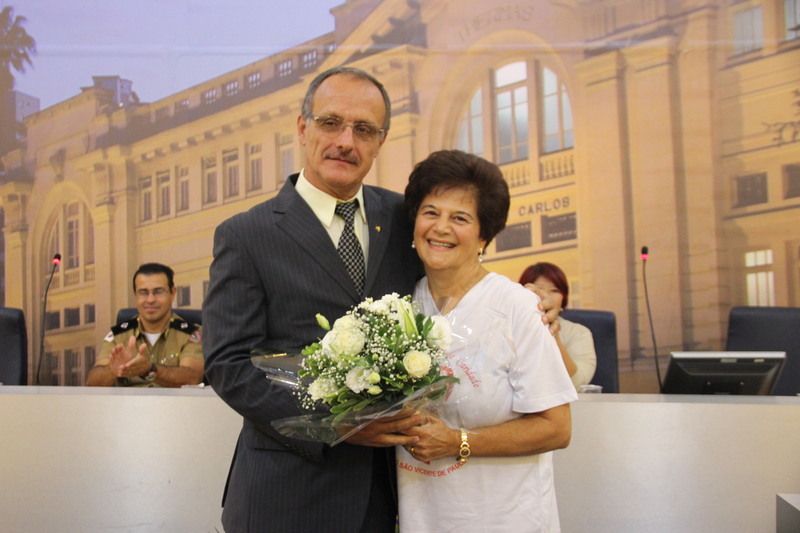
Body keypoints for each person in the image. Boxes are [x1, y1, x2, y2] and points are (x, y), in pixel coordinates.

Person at [202, 67, 426, 533]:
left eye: (363, 129)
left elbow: (454, 283)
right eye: (331, 123)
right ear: (303, 128)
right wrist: (334, 427)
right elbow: (229, 365)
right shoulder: (247, 234)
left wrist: (524, 303)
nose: (346, 140)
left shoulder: (406, 219)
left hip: (387, 499)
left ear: (381, 141)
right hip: (284, 494)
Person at [397, 150, 578, 532]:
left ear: (483, 236)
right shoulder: (399, 308)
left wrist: (456, 442)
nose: (441, 227)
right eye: (431, 212)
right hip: (423, 517)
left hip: (507, 518)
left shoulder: (516, 306)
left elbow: (556, 428)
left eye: (460, 218)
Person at [86, 263, 204, 387]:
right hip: (128, 406)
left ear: (172, 293)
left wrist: (150, 369)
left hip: (173, 406)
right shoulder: (119, 335)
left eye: (158, 292)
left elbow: (192, 378)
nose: (150, 300)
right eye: (143, 292)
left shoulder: (191, 334)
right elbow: (91, 383)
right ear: (135, 295)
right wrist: (113, 370)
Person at [520, 262, 597, 389]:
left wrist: (552, 335)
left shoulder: (578, 333)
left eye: (554, 290)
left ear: (563, 298)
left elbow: (578, 382)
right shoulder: (508, 330)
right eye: (538, 289)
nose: (546, 296)